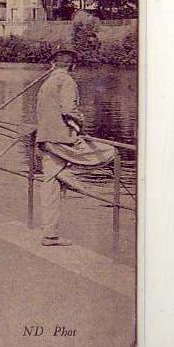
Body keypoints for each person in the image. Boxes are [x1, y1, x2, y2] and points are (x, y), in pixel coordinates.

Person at [35, 46, 115, 247]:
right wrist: (80, 122)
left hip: (45, 139)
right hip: (62, 139)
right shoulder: (67, 81)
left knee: (50, 186)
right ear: (72, 65)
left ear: (53, 64)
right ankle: (72, 178)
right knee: (111, 152)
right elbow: (69, 110)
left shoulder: (48, 82)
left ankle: (50, 235)